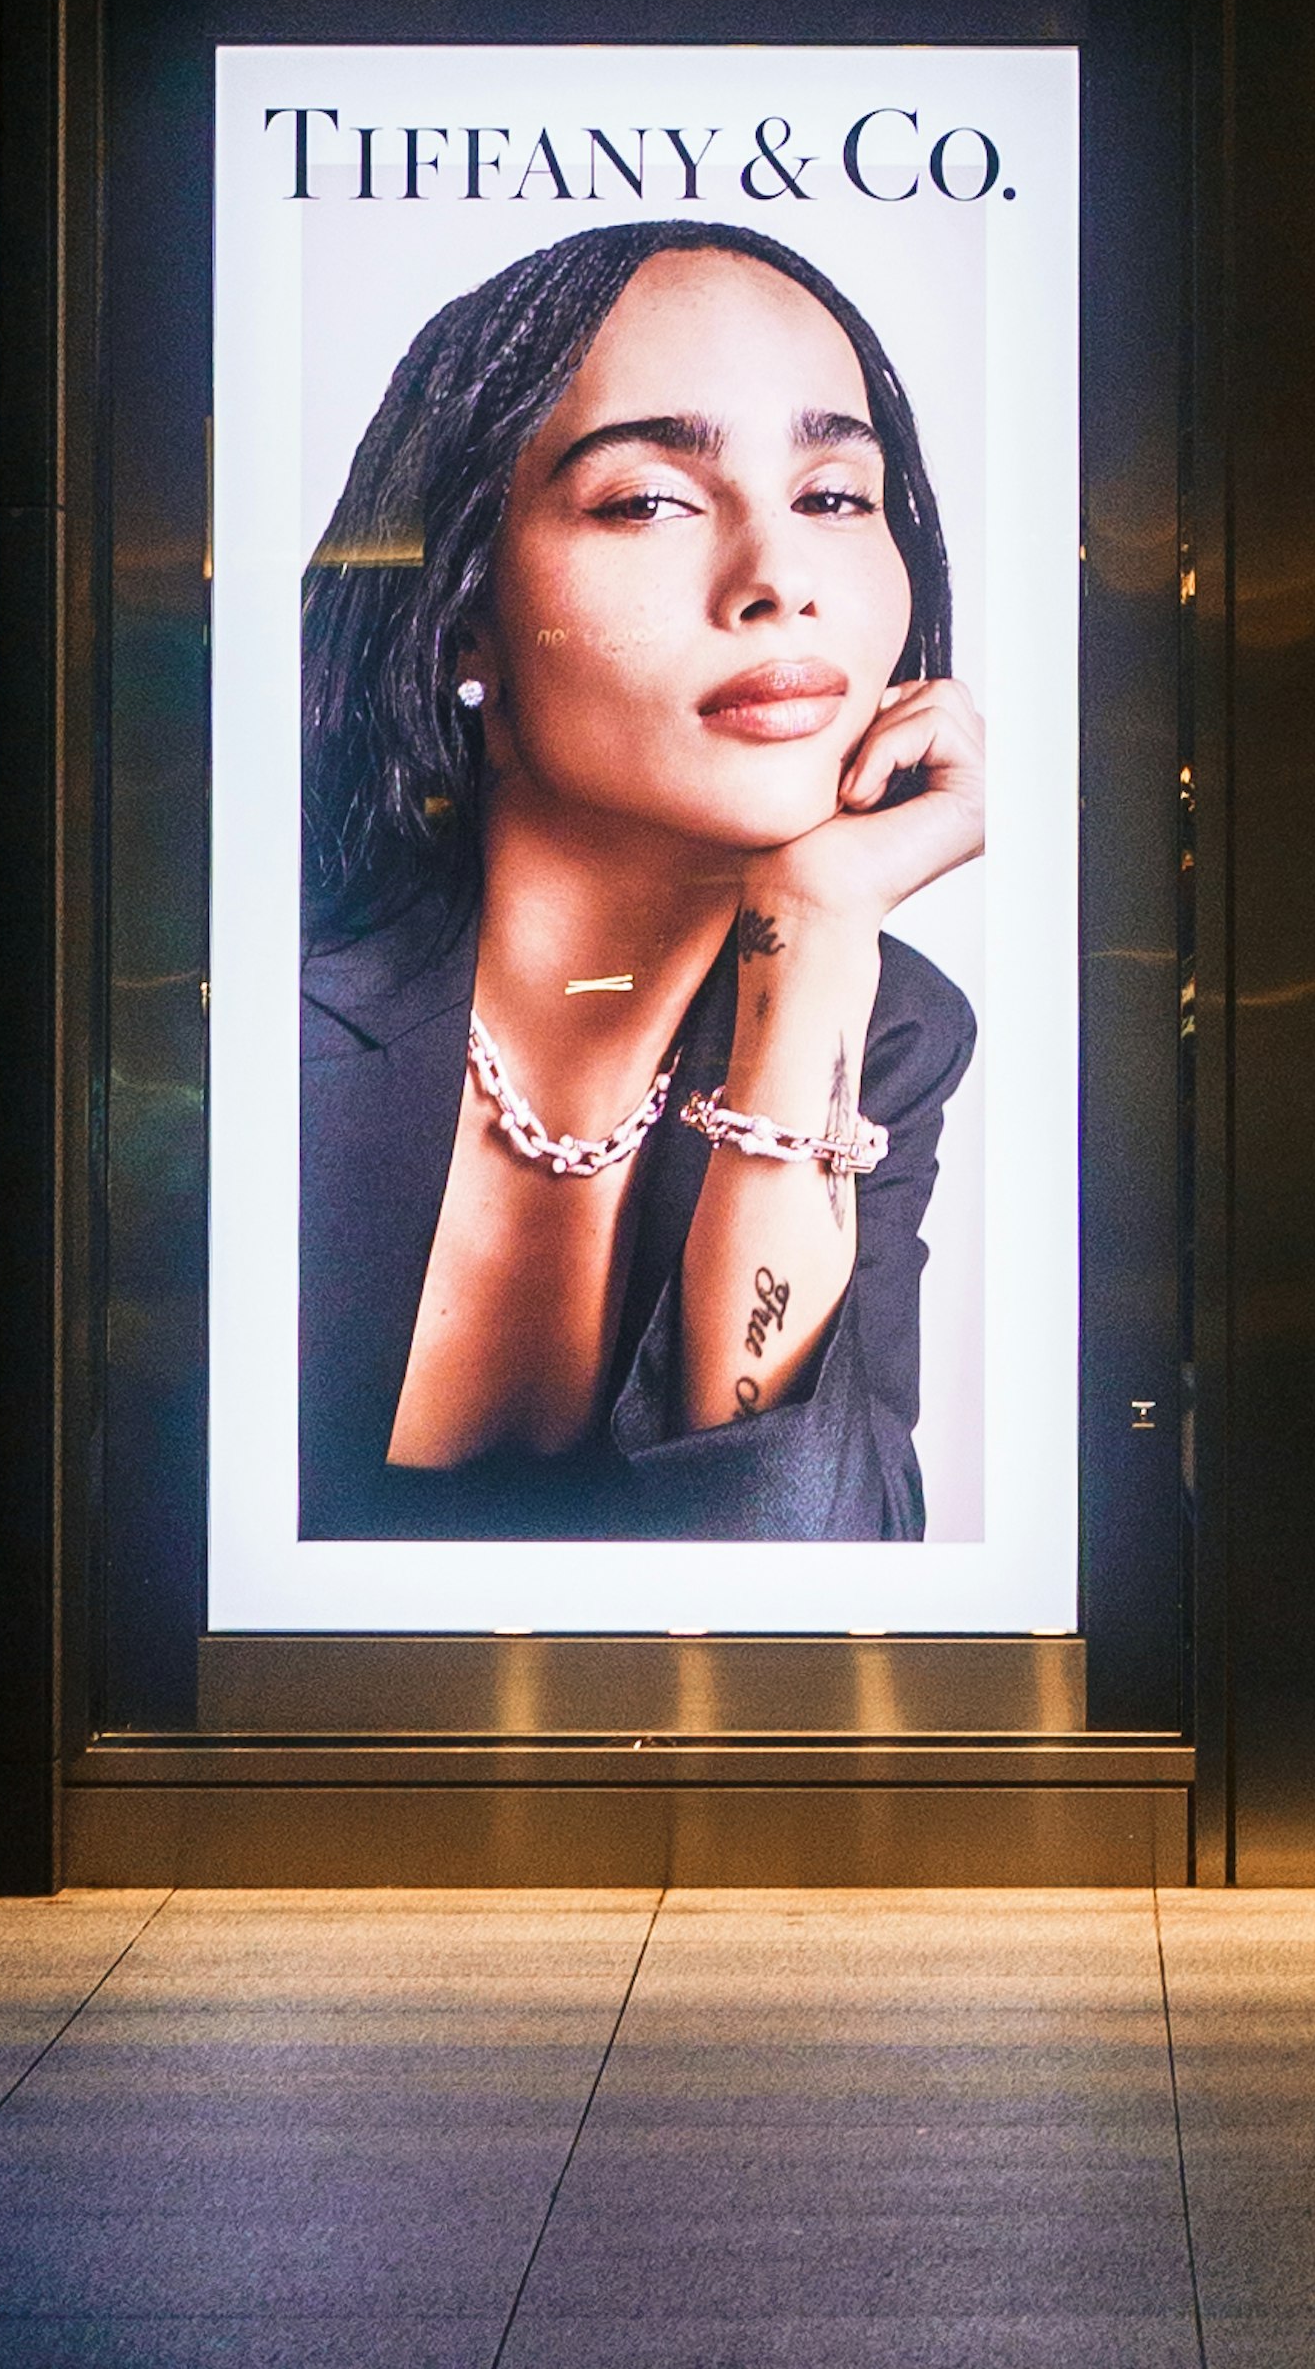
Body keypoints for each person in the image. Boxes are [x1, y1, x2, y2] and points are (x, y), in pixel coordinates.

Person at [295, 216, 984, 1538]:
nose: (781, 578)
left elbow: (814, 1568)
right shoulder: (264, 993)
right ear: (460, 615)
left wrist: (820, 925)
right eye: (649, 501)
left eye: (835, 498)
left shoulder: (881, 1024)